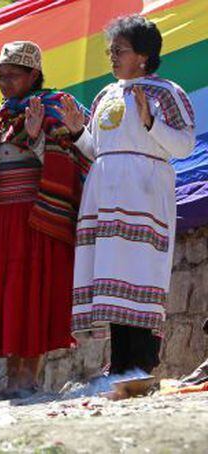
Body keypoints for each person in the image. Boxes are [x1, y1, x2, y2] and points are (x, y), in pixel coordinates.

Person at [0, 41, 90, 399]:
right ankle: (13, 382)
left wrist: (38, 138)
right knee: (7, 300)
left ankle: (28, 381)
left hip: (32, 221)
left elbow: (72, 164)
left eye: (12, 75)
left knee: (30, 297)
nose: (4, 83)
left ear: (33, 75)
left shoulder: (54, 108)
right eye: (1, 75)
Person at [59, 15, 196, 375]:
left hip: (144, 193)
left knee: (140, 274)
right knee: (111, 276)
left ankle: (143, 364)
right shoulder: (105, 95)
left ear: (143, 56)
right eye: (111, 50)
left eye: (119, 50)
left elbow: (184, 145)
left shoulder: (166, 93)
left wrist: (150, 121)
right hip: (105, 194)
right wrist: (77, 132)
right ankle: (119, 367)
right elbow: (98, 150)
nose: (112, 57)